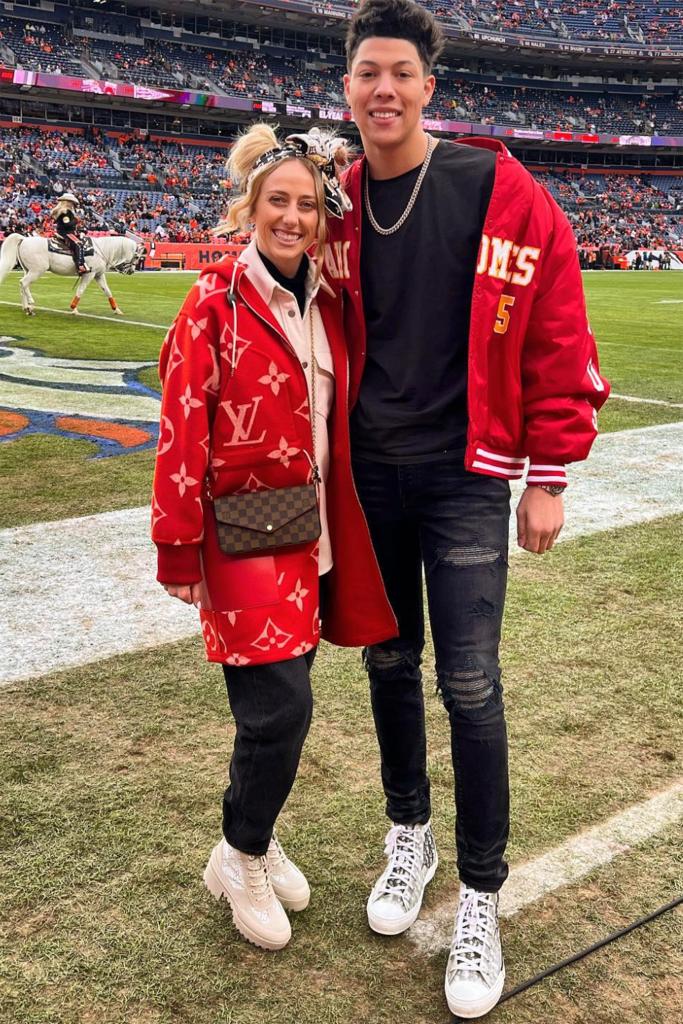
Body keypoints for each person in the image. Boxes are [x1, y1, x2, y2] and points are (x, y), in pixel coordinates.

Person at [326, 0, 610, 1017]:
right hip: (364, 470)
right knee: (387, 660)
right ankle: (410, 833)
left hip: (464, 474)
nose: (385, 89)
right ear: (348, 88)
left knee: (471, 682)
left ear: (427, 87)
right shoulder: (333, 197)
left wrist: (548, 473)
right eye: (368, 73)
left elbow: (554, 327)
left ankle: (480, 893)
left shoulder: (495, 184)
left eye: (401, 71)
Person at [151, 124, 396, 952]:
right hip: (239, 534)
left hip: (308, 536)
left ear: (323, 221)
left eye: (305, 205)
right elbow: (181, 427)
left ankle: (252, 833)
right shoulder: (212, 302)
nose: (290, 218)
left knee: (278, 709)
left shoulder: (326, 305)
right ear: (249, 209)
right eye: (276, 202)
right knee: (279, 710)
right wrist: (175, 546)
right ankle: (239, 852)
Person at [51, 193, 88, 274]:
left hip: (66, 231)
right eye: (72, 202)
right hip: (66, 233)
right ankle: (80, 266)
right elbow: (67, 224)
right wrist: (76, 220)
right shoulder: (65, 212)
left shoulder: (66, 211)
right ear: (67, 202)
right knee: (79, 244)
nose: (73, 204)